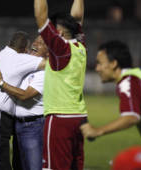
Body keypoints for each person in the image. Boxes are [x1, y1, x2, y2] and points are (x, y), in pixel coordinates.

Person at [0, 31, 46, 170]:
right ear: (25, 49)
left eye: (41, 43)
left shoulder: (1, 54)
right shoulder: (22, 60)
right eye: (34, 42)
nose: (36, 45)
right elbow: (51, 64)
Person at [80, 40, 141, 159]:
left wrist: (97, 131)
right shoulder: (139, 76)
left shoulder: (128, 81)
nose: (97, 68)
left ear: (114, 63)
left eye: (100, 63)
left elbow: (131, 117)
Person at [34, 0, 87, 169]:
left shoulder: (61, 50)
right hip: (79, 118)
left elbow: (40, 17)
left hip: (60, 118)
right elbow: (78, 18)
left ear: (60, 33)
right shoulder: (80, 46)